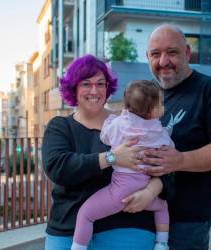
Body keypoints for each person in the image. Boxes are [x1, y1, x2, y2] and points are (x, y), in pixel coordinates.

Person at [42, 55, 174, 250]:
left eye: (100, 84)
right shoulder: (61, 126)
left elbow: (166, 168)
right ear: (74, 88)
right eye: (86, 84)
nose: (94, 90)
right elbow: (59, 168)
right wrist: (111, 158)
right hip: (67, 229)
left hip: (126, 228)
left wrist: (150, 192)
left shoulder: (130, 123)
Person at [142, 24, 211, 250]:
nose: (163, 61)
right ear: (147, 57)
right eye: (156, 54)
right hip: (146, 213)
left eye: (172, 52)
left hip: (187, 220)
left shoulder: (210, 91)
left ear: (187, 53)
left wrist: (180, 161)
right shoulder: (148, 94)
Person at [72, 80, 173, 250]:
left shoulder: (120, 124)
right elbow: (170, 148)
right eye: (160, 103)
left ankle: (78, 247)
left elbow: (104, 136)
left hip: (119, 192)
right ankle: (162, 243)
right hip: (144, 189)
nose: (163, 106)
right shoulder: (159, 130)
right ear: (153, 110)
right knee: (162, 206)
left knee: (86, 214)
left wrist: (112, 118)